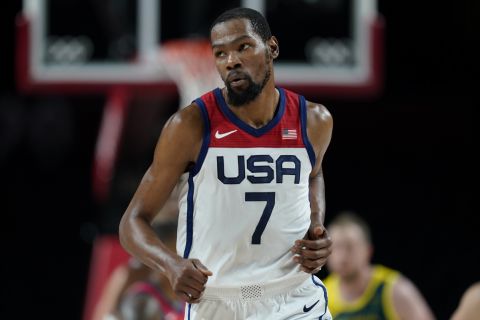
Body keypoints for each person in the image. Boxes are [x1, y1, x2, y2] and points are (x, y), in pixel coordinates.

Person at [119, 7, 333, 319]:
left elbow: (314, 174)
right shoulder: (190, 126)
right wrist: (171, 264)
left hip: (294, 296)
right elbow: (131, 222)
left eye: (243, 47)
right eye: (220, 53)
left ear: (271, 48)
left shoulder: (314, 121)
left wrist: (317, 224)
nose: (231, 60)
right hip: (219, 300)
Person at [324, 211, 435, 319]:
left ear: (368, 251)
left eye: (350, 247)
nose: (343, 256)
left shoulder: (394, 290)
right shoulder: (321, 296)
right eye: (337, 247)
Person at [93, 220, 184, 320]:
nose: (181, 256)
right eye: (176, 251)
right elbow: (104, 314)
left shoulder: (168, 278)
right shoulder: (127, 274)